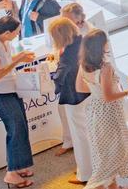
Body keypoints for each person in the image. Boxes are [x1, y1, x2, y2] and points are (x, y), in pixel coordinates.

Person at [77, 28, 128, 189]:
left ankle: (112, 186)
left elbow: (80, 88)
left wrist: (96, 90)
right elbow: (108, 97)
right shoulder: (106, 68)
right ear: (101, 45)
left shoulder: (83, 65)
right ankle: (98, 185)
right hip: (109, 113)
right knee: (119, 149)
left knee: (104, 151)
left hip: (94, 111)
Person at [0, 16, 37, 188]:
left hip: (11, 91)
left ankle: (17, 166)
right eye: (17, 32)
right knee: (15, 130)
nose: (18, 34)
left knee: (20, 128)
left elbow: (5, 63)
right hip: (0, 95)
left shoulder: (4, 43)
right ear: (7, 32)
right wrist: (18, 60)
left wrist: (19, 57)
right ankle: (11, 174)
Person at [48, 16, 91, 185]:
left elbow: (60, 77)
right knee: (88, 133)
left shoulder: (67, 55)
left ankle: (85, 173)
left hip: (74, 97)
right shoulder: (84, 41)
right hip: (88, 93)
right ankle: (90, 168)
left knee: (80, 137)